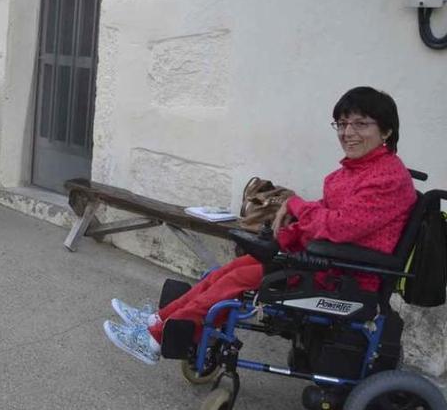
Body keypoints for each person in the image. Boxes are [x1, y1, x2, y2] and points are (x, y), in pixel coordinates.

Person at [103, 86, 417, 365]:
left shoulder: (386, 178)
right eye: (343, 123)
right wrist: (287, 232)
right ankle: (158, 320)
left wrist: (293, 205)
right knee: (227, 271)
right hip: (323, 260)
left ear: (387, 131)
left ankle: (155, 340)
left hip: (343, 275)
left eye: (360, 123)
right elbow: (324, 217)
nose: (348, 132)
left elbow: (337, 227)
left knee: (235, 281)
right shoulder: (355, 172)